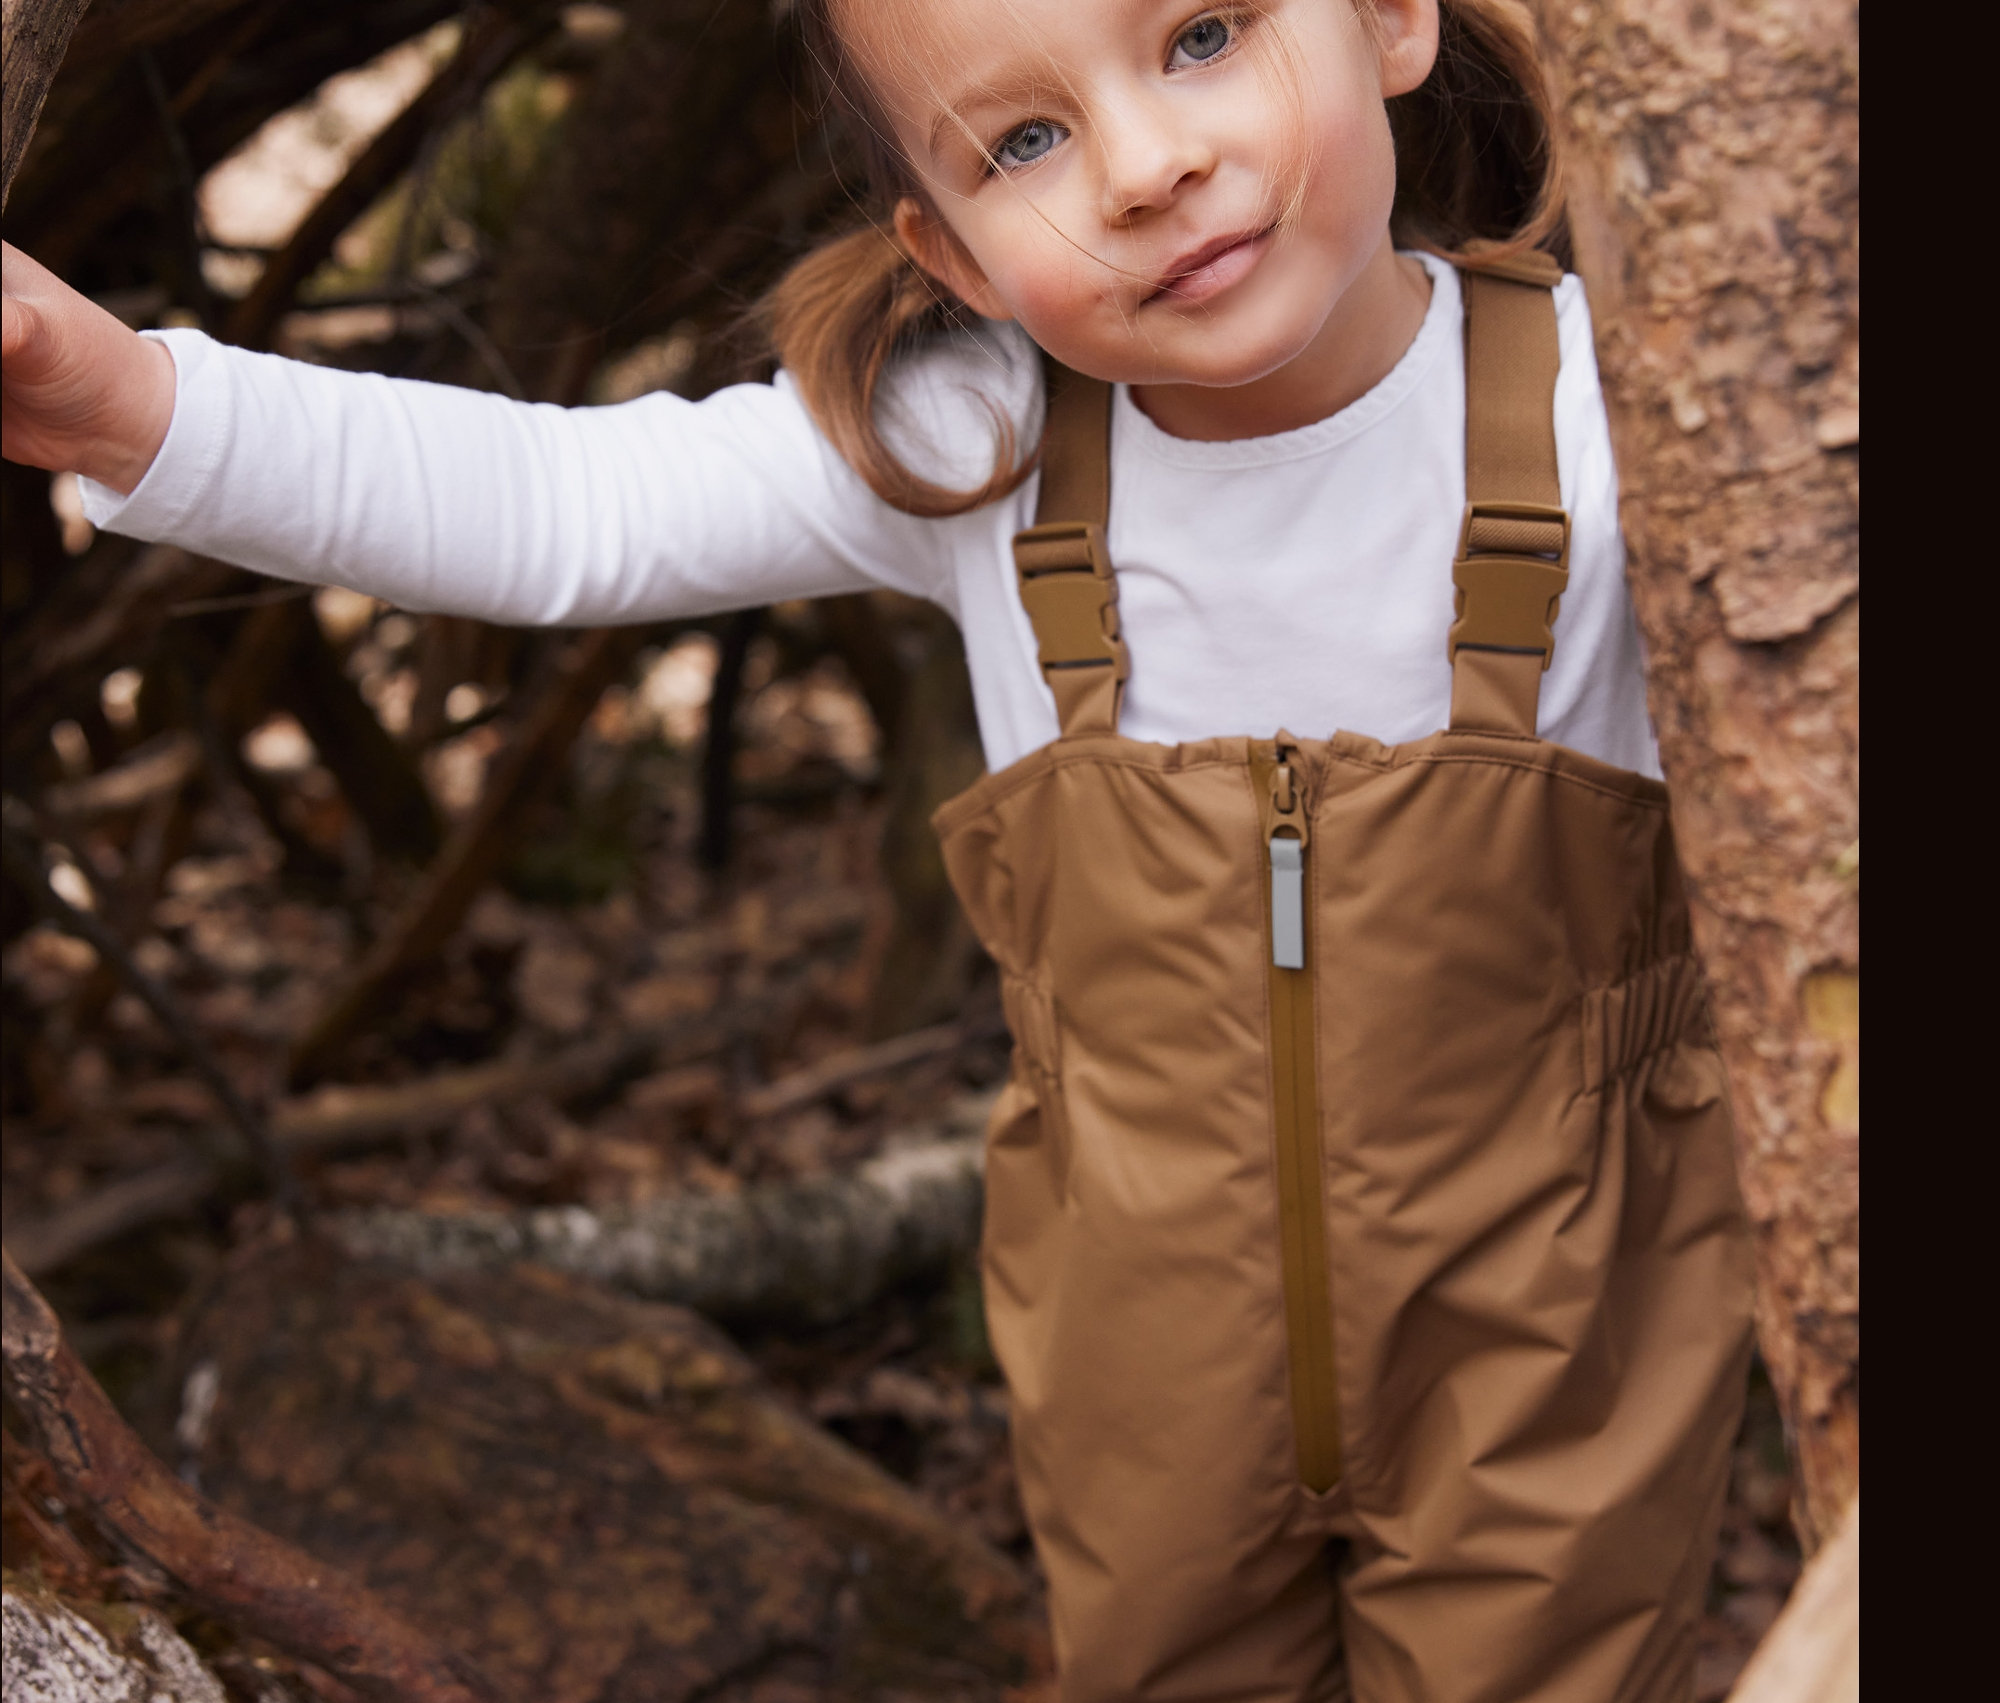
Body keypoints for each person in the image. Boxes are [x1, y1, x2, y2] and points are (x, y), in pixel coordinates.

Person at [2, 1, 1756, 1698]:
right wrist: (117, 402)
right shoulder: (981, 446)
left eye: (1202, 37)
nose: (1142, 167)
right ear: (959, 256)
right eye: (1028, 139)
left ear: (1388, 19)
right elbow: (564, 510)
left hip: (1560, 1334)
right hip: (1143, 1342)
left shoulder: (1633, 425)